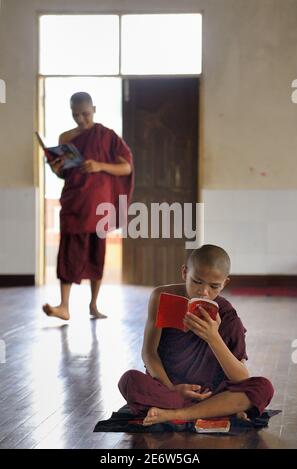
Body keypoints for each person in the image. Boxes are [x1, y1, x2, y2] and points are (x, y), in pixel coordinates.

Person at [118, 244, 274, 426]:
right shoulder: (161, 296)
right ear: (185, 272)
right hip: (169, 389)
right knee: (129, 381)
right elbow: (149, 353)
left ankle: (177, 414)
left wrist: (212, 337)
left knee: (263, 388)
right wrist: (173, 389)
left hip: (212, 392)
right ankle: (216, 411)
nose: (204, 292)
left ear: (225, 283)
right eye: (197, 281)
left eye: (214, 286)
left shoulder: (227, 314)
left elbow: (241, 377)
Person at [43, 92, 134, 321]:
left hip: (98, 204)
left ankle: (94, 305)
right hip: (74, 201)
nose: (81, 119)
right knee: (69, 253)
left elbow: (126, 168)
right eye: (76, 114)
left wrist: (99, 165)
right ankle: (64, 306)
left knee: (96, 253)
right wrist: (56, 169)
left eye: (85, 113)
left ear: (94, 109)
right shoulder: (66, 137)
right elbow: (65, 172)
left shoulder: (107, 136)